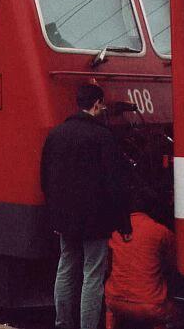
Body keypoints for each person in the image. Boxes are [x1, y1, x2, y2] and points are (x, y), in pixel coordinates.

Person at [40, 83, 131, 329]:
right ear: (97, 104)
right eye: (102, 104)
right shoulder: (103, 137)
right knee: (92, 275)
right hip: (95, 220)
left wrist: (55, 213)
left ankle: (62, 323)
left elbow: (45, 179)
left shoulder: (56, 134)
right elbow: (114, 184)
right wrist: (124, 223)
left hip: (64, 218)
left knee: (66, 267)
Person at [105, 186, 184, 329]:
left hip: (114, 302)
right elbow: (177, 262)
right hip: (150, 305)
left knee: (112, 310)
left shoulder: (116, 231)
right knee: (180, 315)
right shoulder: (160, 231)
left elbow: (109, 263)